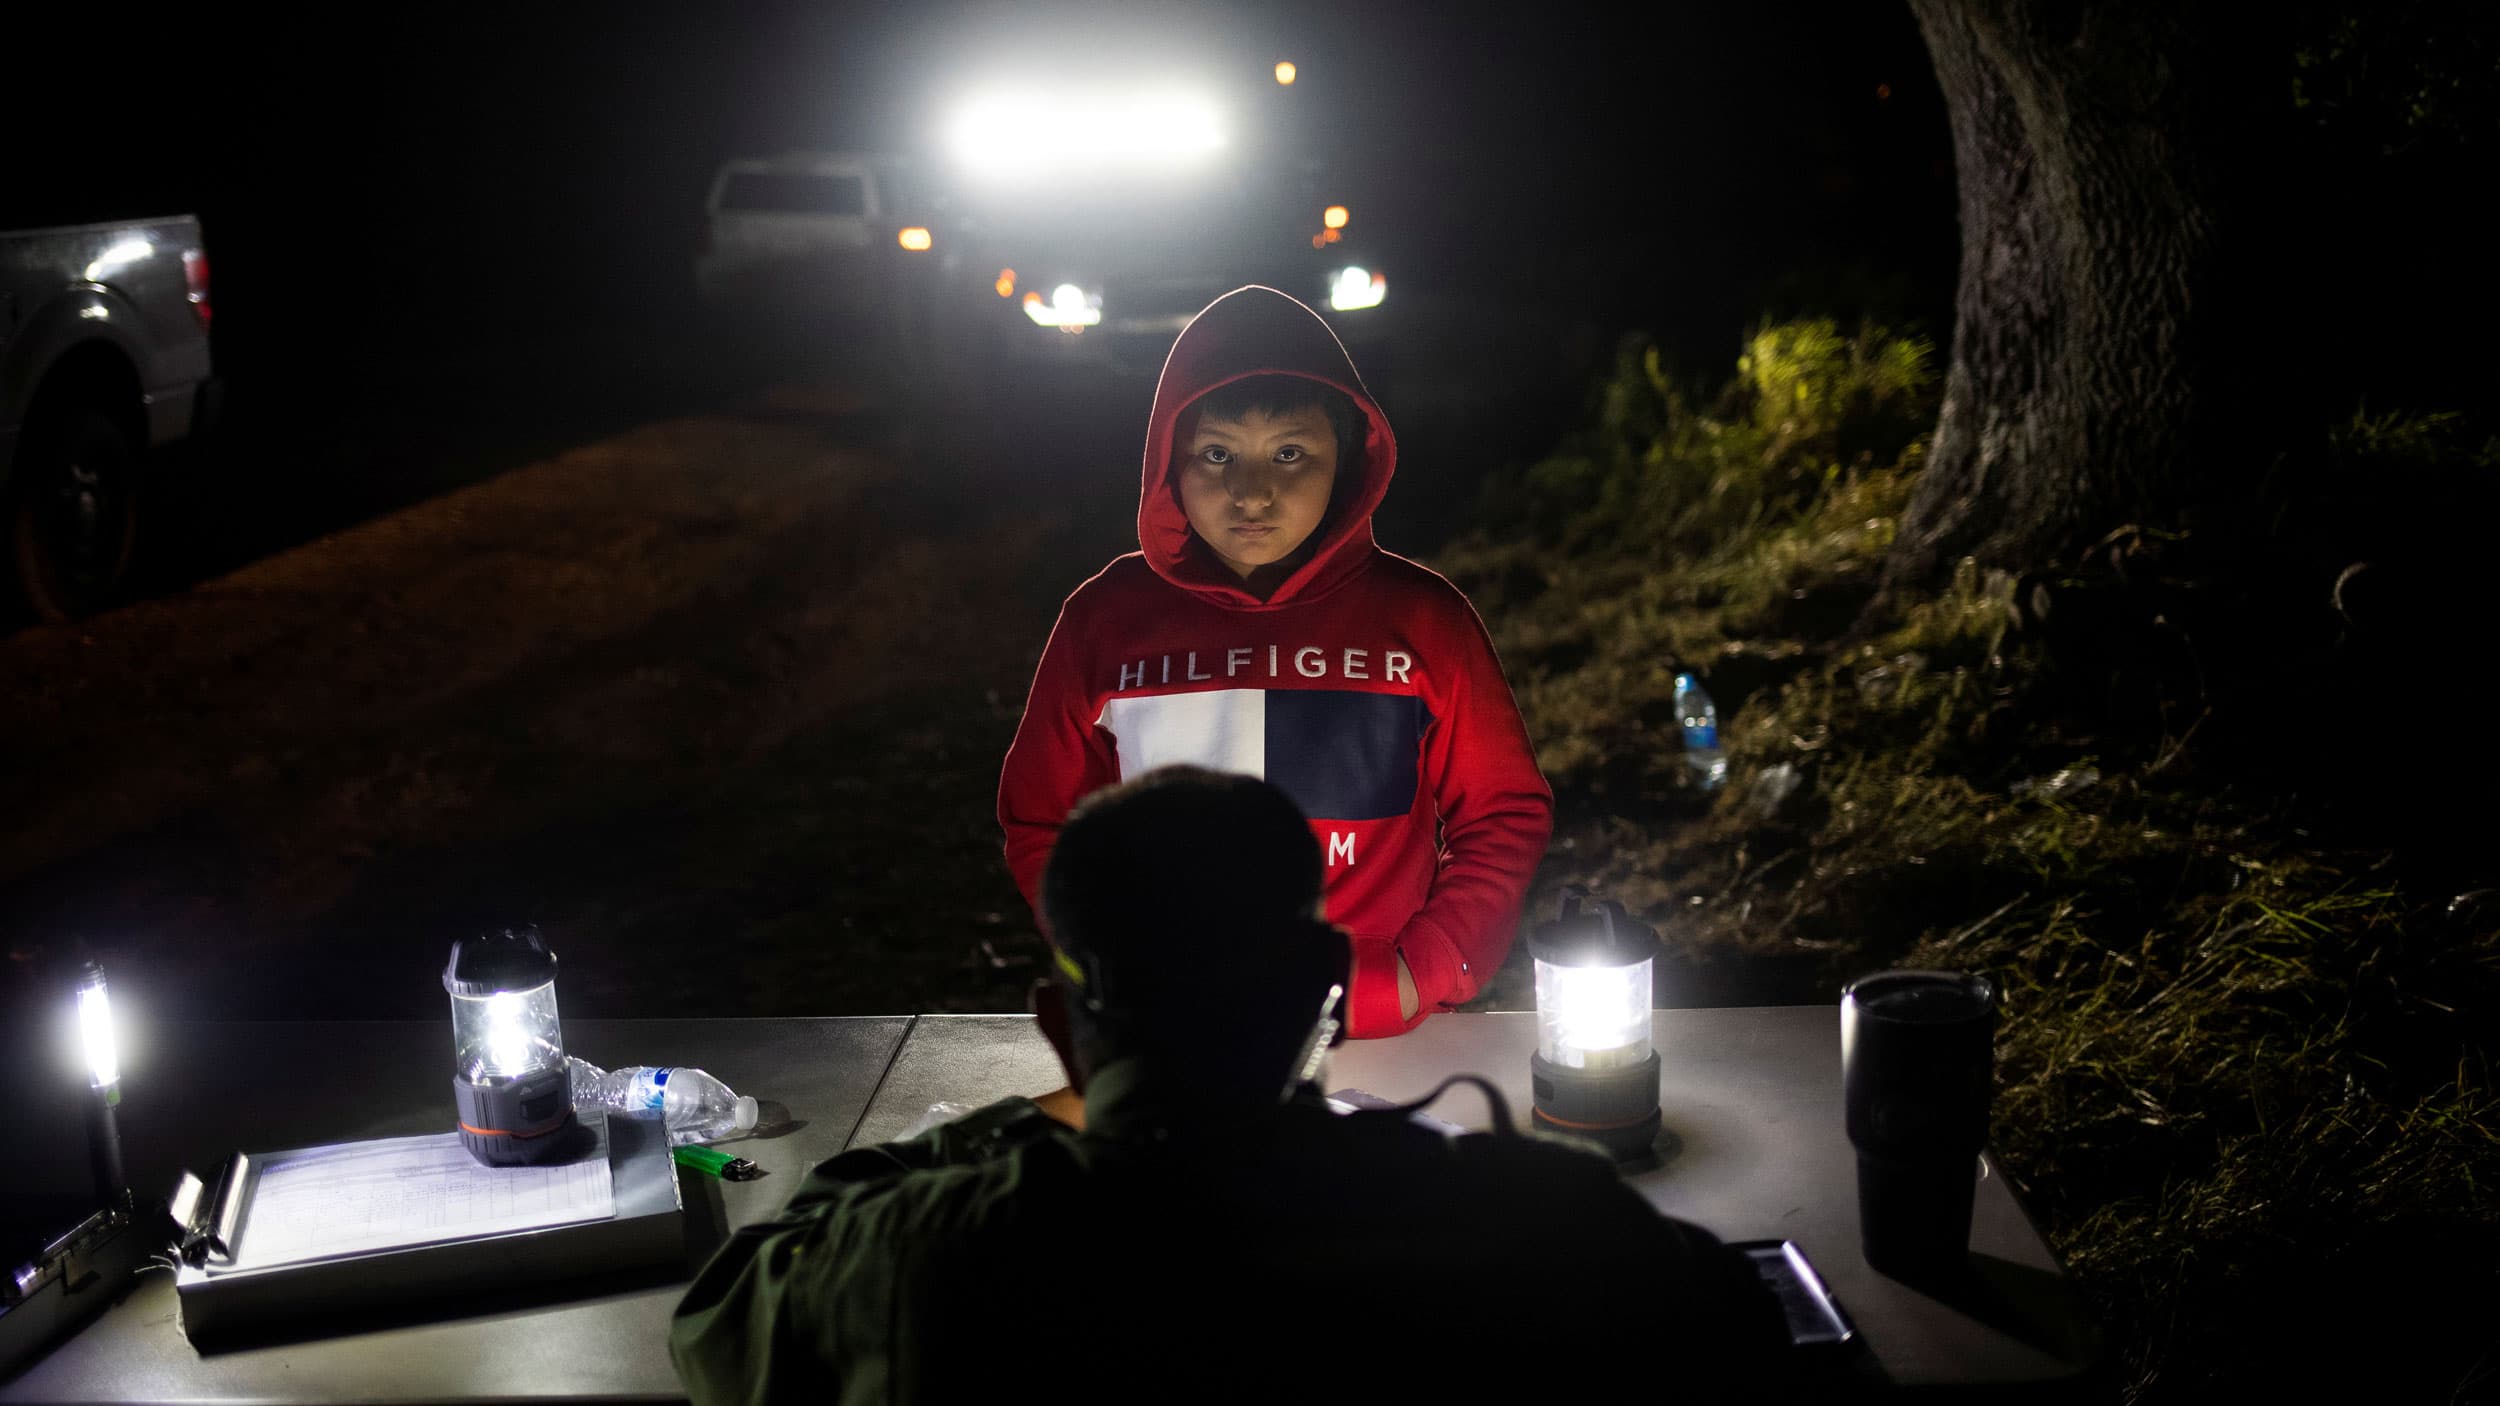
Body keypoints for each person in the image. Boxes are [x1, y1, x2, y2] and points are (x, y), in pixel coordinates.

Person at [671, 767, 1787, 1405]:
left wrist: (1016, 1126)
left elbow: (723, 1312)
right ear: (1321, 993)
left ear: (1057, 1023)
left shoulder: (923, 1257)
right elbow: (1735, 1322)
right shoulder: (1520, 1219)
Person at [999, 285, 1553, 1038]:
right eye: (1216, 453)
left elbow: (1501, 811)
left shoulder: (1426, 620)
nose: (1250, 492)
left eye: (1289, 453)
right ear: (1169, 460)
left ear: (1348, 460)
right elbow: (1043, 822)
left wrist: (1421, 972)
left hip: (1378, 1034)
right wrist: (1115, 965)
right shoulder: (1103, 621)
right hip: (1174, 1032)